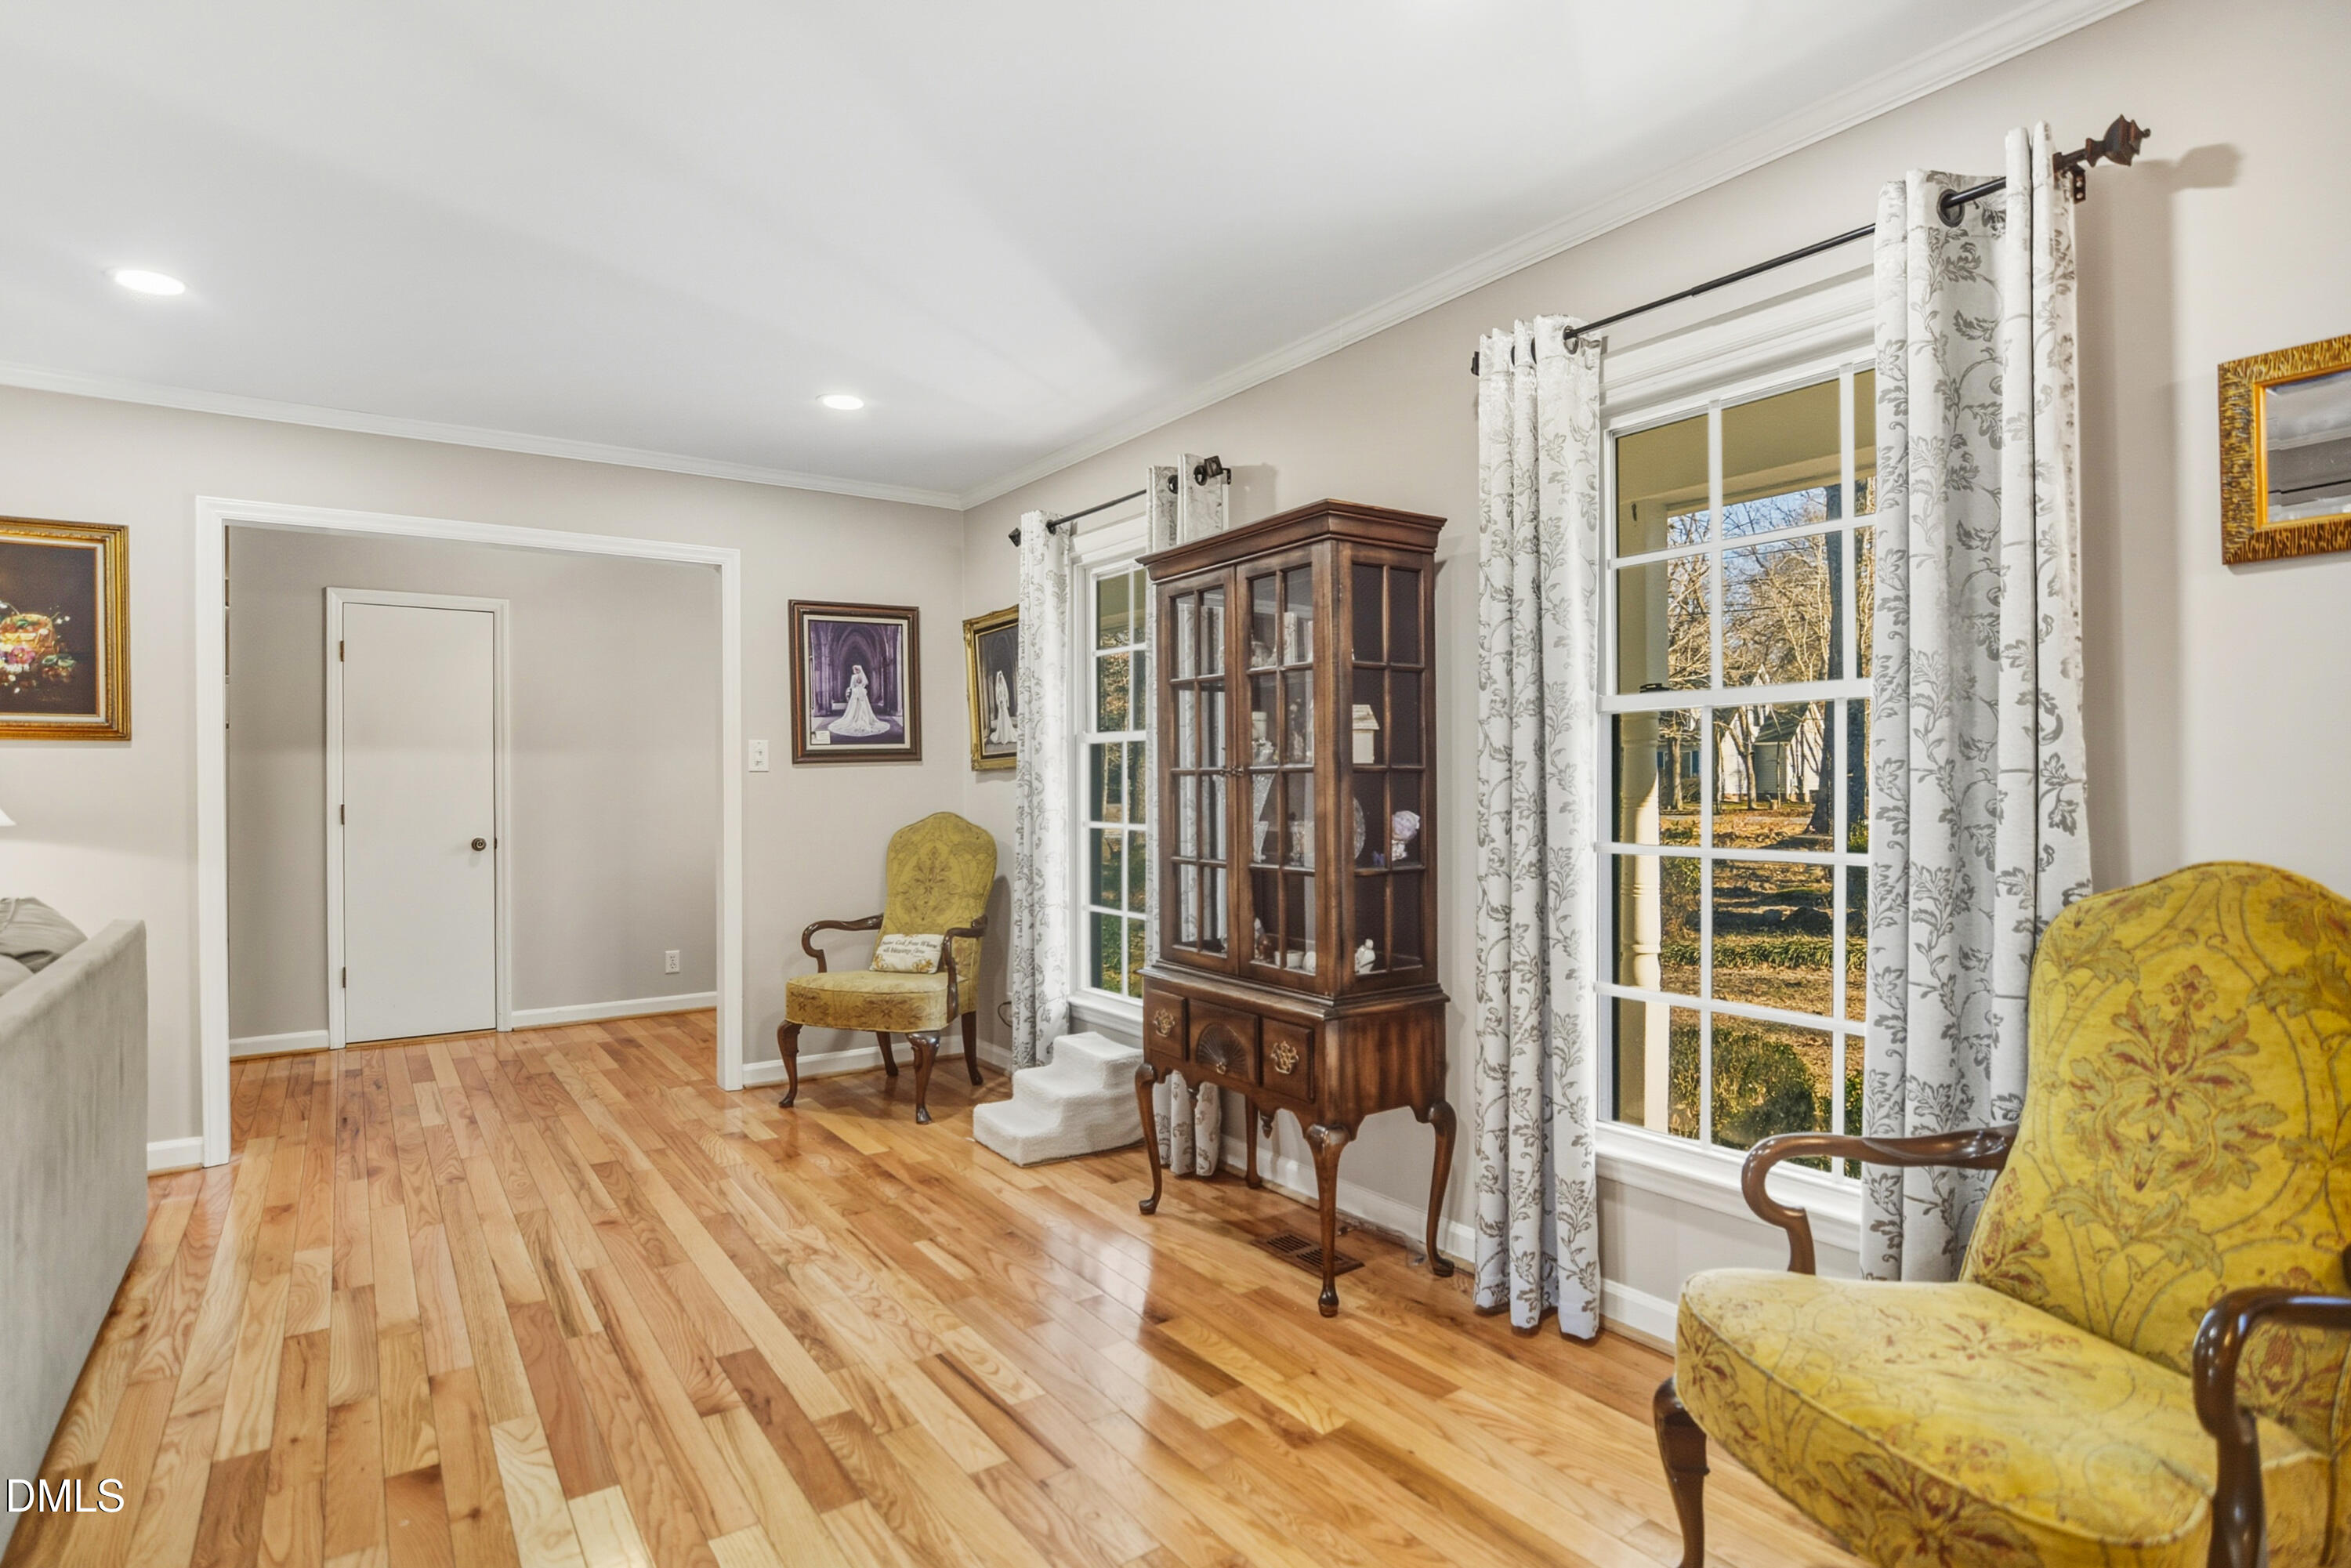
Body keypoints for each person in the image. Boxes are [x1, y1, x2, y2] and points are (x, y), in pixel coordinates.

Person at [828, 664, 890, 737]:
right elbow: (864, 684)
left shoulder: (854, 677)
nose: (853, 671)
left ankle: (855, 719)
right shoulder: (862, 676)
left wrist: (850, 691)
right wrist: (861, 688)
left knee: (854, 707)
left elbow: (852, 686)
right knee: (863, 707)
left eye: (854, 670)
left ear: (856, 670)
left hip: (855, 693)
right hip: (862, 692)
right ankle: (865, 720)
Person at [987, 668, 1016, 747]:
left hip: (1004, 704)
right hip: (1000, 704)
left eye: (1000, 677)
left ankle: (1007, 736)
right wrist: (998, 702)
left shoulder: (1003, 686)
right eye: (999, 677)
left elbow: (1006, 695)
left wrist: (1006, 702)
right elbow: (997, 696)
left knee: (1005, 717)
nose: (1000, 678)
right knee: (1001, 718)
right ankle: (1001, 736)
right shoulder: (997, 687)